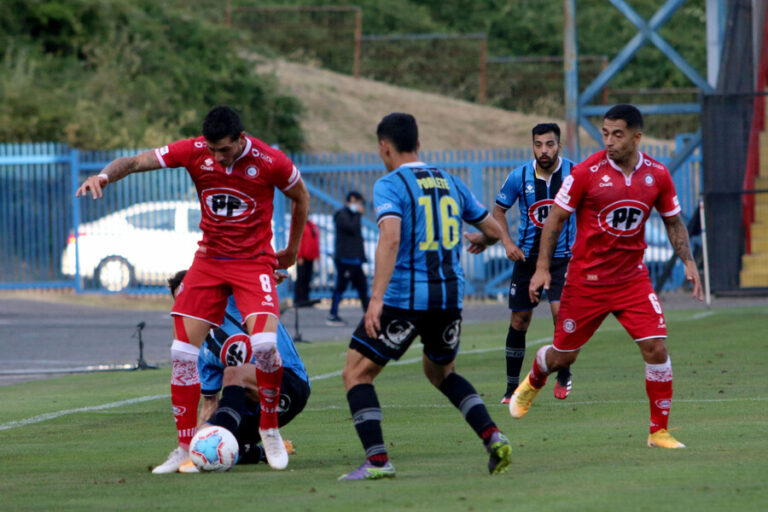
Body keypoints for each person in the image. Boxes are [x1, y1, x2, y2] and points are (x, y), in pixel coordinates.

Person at [76, 105, 310, 472]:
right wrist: (104, 176)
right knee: (182, 353)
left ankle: (269, 429)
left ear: (241, 139)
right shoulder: (193, 150)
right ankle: (184, 448)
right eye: (213, 150)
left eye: (226, 150)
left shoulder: (270, 160)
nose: (217, 158)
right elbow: (136, 162)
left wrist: (292, 251)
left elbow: (301, 197)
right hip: (209, 262)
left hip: (253, 263)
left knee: (265, 347)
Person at [510, 104, 703, 450]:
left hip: (632, 281)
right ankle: (537, 374)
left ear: (636, 137)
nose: (609, 141)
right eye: (605, 133)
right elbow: (554, 219)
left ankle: (658, 431)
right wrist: (541, 268)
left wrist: (688, 261)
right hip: (586, 282)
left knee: (656, 348)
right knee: (563, 358)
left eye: (617, 134)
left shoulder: (657, 175)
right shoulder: (586, 173)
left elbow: (673, 222)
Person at [338, 112, 512, 481]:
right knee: (441, 372)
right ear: (418, 143)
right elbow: (493, 229)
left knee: (356, 374)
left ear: (385, 148)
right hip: (449, 298)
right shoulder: (451, 181)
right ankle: (492, 435)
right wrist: (485, 239)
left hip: (406, 298)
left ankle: (378, 462)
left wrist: (375, 299)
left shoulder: (390, 184)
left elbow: (391, 238)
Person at [166, 270, 310, 473]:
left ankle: (236, 435)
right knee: (215, 443)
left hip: (290, 383)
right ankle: (256, 451)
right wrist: (196, 442)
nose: (189, 307)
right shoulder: (201, 350)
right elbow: (210, 403)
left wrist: (266, 274)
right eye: (181, 303)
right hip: (254, 407)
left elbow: (249, 280)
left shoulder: (232, 301)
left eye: (190, 297)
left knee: (233, 374)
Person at [493, 123, 576, 404]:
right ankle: (512, 387)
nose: (544, 150)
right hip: (527, 259)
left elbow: (591, 208)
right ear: (532, 146)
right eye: (538, 144)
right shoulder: (519, 176)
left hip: (562, 259)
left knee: (559, 315)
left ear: (559, 146)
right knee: (519, 320)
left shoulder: (574, 174)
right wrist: (507, 242)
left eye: (549, 144)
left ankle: (563, 373)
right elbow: (498, 211)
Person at [326, 191, 370, 326]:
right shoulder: (342, 215)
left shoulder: (352, 215)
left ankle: (368, 315)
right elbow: (351, 228)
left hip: (355, 260)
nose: (360, 206)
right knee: (340, 287)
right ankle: (333, 315)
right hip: (345, 260)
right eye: (358, 202)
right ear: (352, 200)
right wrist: (357, 213)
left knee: (363, 288)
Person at [294, 218, 320, 307]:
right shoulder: (299, 224)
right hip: (303, 257)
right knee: (301, 278)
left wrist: (317, 255)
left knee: (308, 279)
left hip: (310, 256)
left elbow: (315, 241)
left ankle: (305, 299)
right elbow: (297, 241)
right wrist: (299, 255)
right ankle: (298, 299)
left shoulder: (311, 225)